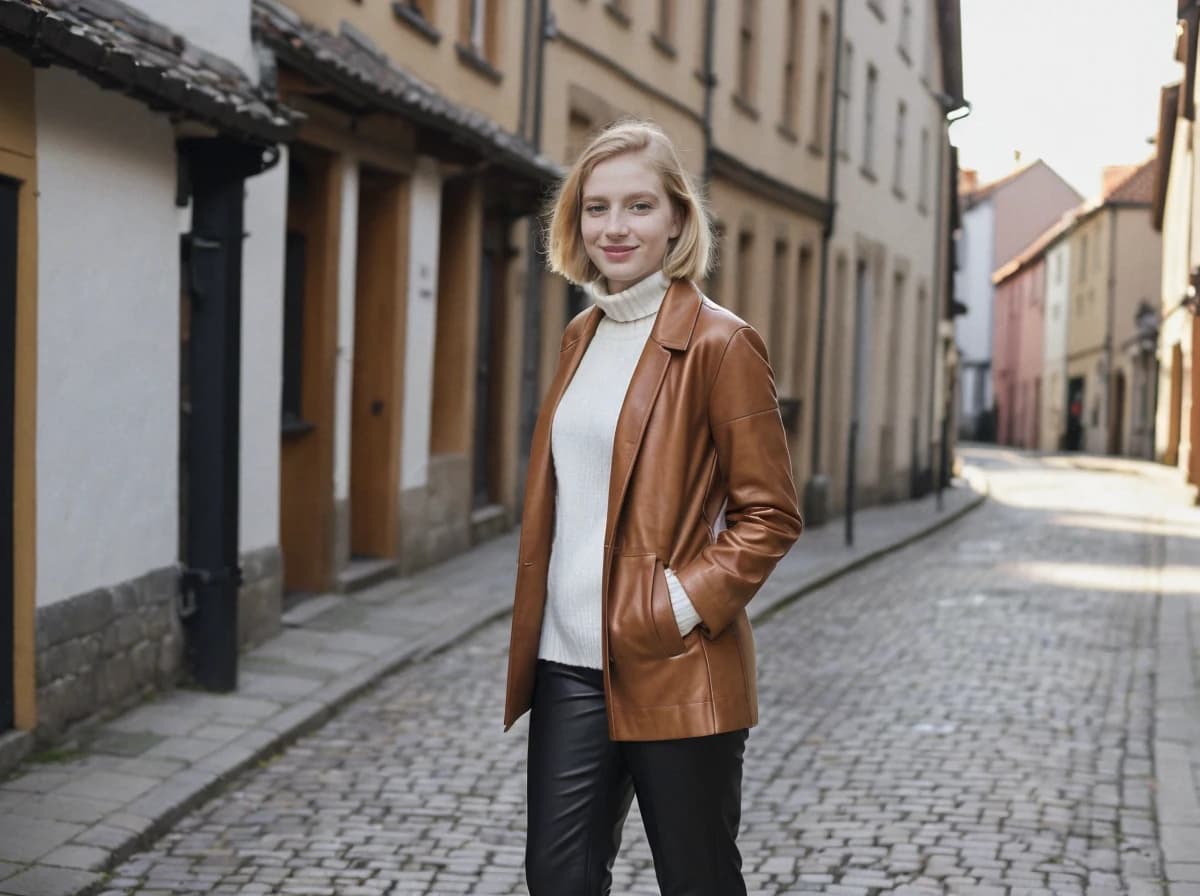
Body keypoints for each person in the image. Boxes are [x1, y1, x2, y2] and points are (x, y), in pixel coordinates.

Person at [503, 119, 803, 896]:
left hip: (675, 660)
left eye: (638, 206)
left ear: (677, 217)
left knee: (696, 880)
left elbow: (770, 513)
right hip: (568, 666)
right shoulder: (582, 333)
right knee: (558, 879)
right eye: (596, 208)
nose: (615, 227)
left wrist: (670, 606)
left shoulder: (720, 344)